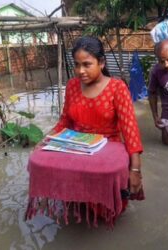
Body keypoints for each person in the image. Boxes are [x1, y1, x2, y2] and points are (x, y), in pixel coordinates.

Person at [33, 36, 144, 207]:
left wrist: (135, 169)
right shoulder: (72, 86)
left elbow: (130, 131)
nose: (80, 71)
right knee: (74, 203)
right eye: (77, 65)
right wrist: (46, 139)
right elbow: (65, 121)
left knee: (102, 207)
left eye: (86, 64)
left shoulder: (117, 88)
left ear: (101, 63)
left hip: (107, 152)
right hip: (77, 148)